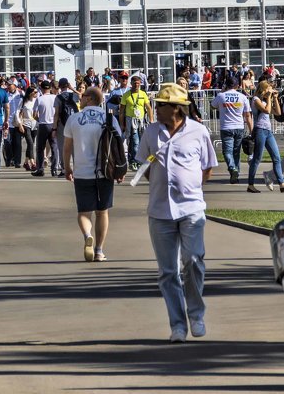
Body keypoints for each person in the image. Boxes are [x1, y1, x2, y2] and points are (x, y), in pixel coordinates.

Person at [137, 83, 218, 342]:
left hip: (191, 208)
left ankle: (196, 314)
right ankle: (178, 325)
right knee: (168, 271)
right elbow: (145, 165)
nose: (156, 109)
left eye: (161, 105)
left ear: (176, 109)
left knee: (193, 261)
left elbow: (207, 167)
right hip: (160, 210)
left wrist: (190, 186)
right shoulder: (151, 132)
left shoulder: (199, 131)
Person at [62, 87, 117, 262]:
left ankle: (87, 235)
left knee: (84, 212)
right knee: (102, 212)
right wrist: (119, 170)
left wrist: (67, 167)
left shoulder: (75, 119)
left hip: (82, 171)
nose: (80, 98)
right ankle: (99, 250)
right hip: (105, 171)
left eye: (82, 96)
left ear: (89, 99)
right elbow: (117, 145)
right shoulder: (109, 118)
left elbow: (67, 147)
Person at [248, 80, 284, 194]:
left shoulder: (265, 100)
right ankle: (251, 184)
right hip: (259, 130)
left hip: (268, 131)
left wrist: (275, 98)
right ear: (263, 89)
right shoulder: (256, 100)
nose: (270, 91)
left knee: (276, 157)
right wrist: (268, 98)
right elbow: (267, 111)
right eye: (268, 89)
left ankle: (282, 184)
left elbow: (277, 112)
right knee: (257, 158)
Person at [212, 74, 252, 184]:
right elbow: (247, 115)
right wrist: (251, 129)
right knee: (236, 152)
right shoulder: (243, 97)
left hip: (226, 127)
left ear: (226, 85)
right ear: (237, 85)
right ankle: (236, 173)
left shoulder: (221, 96)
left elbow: (212, 106)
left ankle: (232, 168)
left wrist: (222, 91)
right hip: (239, 126)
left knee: (227, 152)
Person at [120, 75, 153, 169]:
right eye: (135, 83)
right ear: (131, 84)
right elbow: (122, 111)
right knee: (135, 141)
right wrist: (122, 124)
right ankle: (135, 161)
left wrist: (151, 120)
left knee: (142, 141)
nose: (136, 85)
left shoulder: (143, 94)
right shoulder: (126, 95)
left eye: (138, 83)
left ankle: (136, 160)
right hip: (131, 120)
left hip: (141, 120)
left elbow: (148, 108)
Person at [32, 80, 61, 177]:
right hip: (53, 123)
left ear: (41, 88)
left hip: (43, 124)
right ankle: (54, 169)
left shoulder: (39, 99)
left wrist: (39, 119)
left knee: (40, 148)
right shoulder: (55, 97)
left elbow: (34, 114)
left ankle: (40, 169)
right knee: (54, 147)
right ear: (50, 88)